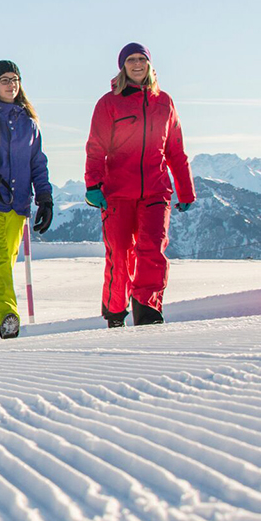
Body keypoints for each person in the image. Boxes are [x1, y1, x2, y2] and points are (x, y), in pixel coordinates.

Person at [84, 43, 194, 327]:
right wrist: (93, 184)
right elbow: (96, 147)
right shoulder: (109, 103)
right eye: (131, 60)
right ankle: (116, 312)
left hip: (156, 190)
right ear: (122, 66)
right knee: (119, 254)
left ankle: (148, 311)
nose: (136, 65)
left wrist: (185, 189)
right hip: (117, 192)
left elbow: (175, 149)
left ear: (149, 64)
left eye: (141, 60)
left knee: (151, 249)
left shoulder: (164, 102)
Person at [0, 60, 53, 340]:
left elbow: (37, 161)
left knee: (0, 267)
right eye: (4, 79)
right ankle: (7, 316)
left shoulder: (29, 121)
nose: (10, 84)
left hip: (18, 205)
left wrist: (44, 196)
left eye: (14, 79)